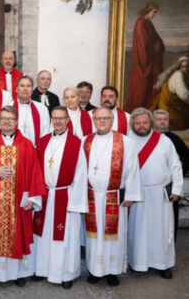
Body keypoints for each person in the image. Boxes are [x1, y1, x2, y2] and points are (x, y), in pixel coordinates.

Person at [0, 105, 46, 286]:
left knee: (18, 234)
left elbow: (35, 172)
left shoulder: (27, 145)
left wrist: (32, 198)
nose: (7, 122)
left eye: (11, 119)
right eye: (4, 118)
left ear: (17, 122)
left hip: (18, 201)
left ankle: (18, 274)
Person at [84, 107, 141, 287]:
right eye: (98, 118)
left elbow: (133, 170)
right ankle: (95, 270)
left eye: (106, 118)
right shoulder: (85, 141)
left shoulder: (125, 141)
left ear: (112, 120)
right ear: (94, 120)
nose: (102, 121)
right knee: (93, 236)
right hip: (91, 196)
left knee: (114, 236)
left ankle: (112, 271)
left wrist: (131, 194)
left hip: (114, 197)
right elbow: (79, 171)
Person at [33, 106, 88, 289]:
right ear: (51, 120)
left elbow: (81, 174)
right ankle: (42, 270)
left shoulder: (76, 143)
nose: (57, 121)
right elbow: (36, 171)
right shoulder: (42, 142)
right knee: (43, 236)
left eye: (61, 118)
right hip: (46, 194)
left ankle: (66, 274)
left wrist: (75, 200)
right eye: (54, 118)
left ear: (67, 120)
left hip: (66, 196)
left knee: (65, 238)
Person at [127, 108, 183, 279]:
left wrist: (177, 189)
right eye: (137, 123)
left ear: (151, 123)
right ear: (133, 124)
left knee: (161, 231)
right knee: (138, 231)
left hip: (160, 195)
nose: (141, 126)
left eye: (145, 122)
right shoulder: (127, 141)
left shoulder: (164, 141)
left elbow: (175, 165)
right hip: (137, 195)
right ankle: (138, 263)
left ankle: (163, 264)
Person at [154, 108, 189, 241]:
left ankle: (169, 244)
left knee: (170, 217)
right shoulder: (145, 138)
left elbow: (187, 157)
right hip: (150, 186)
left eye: (165, 120)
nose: (162, 122)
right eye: (159, 119)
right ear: (153, 121)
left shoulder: (174, 139)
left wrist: (182, 162)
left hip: (170, 187)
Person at [125, 3, 164, 112]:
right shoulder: (140, 23)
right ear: (149, 10)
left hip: (151, 60)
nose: (155, 14)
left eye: (156, 12)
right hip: (143, 62)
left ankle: (150, 108)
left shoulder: (148, 23)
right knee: (142, 87)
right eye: (154, 12)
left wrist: (159, 44)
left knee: (151, 86)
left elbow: (157, 38)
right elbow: (143, 43)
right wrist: (153, 48)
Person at [151, 56, 189, 130]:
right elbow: (184, 96)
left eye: (187, 66)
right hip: (169, 110)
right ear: (179, 67)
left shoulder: (184, 75)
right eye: (183, 67)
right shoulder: (178, 75)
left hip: (175, 107)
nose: (185, 69)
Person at [13, 76, 50, 147]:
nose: (25, 89)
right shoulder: (9, 108)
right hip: (14, 150)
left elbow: (46, 132)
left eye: (28, 86)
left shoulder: (42, 108)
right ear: (16, 89)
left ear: (32, 90)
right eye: (22, 86)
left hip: (35, 150)